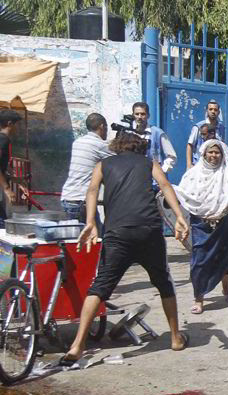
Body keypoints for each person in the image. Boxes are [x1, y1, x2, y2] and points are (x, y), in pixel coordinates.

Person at [59, 131, 189, 366]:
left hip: (117, 233)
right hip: (148, 230)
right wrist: (179, 216)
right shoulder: (150, 162)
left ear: (116, 146)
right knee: (164, 283)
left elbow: (91, 191)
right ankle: (175, 338)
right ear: (140, 147)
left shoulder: (103, 164)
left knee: (99, 287)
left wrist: (90, 222)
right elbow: (165, 185)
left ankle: (77, 346)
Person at [174, 140, 228, 314]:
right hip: (201, 224)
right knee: (199, 261)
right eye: (210, 152)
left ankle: (226, 288)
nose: (214, 156)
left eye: (217, 153)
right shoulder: (192, 175)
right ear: (204, 154)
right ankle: (199, 297)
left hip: (226, 222)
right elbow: (183, 198)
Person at [60, 113, 112, 224]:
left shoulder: (78, 142)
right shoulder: (99, 145)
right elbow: (119, 159)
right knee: (94, 237)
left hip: (68, 197)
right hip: (81, 200)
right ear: (102, 126)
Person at [132, 101, 177, 174]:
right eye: (137, 114)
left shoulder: (157, 133)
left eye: (143, 114)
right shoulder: (129, 132)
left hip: (152, 180)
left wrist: (161, 172)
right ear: (133, 115)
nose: (139, 117)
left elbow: (172, 156)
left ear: (148, 115)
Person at [0, 108, 22, 219]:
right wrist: (7, 189)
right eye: (17, 125)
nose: (18, 128)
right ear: (10, 124)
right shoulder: (2, 140)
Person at [186, 99, 221, 166]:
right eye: (210, 109)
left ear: (218, 112)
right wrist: (189, 164)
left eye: (215, 110)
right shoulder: (198, 127)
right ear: (207, 111)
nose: (213, 111)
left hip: (215, 166)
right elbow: (190, 145)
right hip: (199, 165)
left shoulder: (221, 128)